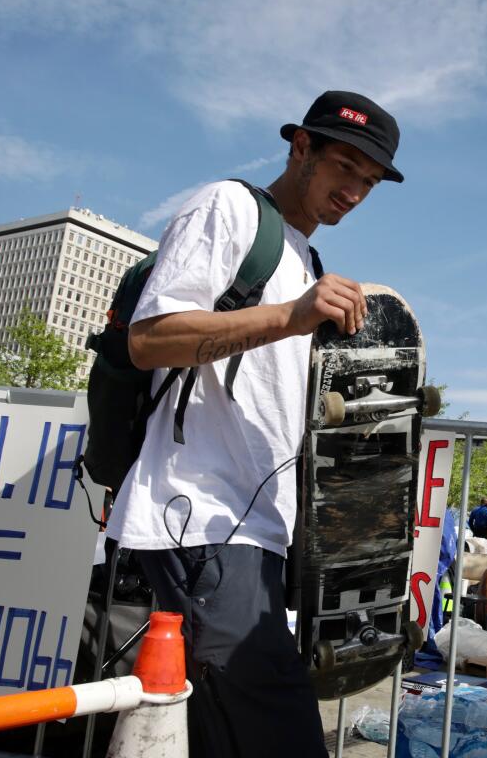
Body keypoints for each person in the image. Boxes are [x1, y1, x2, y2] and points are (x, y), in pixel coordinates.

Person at [104, 90, 404, 758]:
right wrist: (290, 318)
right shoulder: (232, 208)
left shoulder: (305, 260)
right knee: (279, 726)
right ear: (301, 147)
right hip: (202, 514)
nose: (355, 190)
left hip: (262, 529)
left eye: (370, 180)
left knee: (222, 728)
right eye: (344, 166)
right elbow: (150, 341)